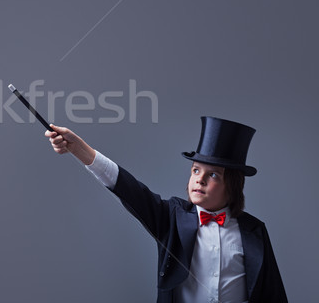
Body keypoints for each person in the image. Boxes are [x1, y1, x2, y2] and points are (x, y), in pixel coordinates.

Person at [44, 116, 287, 303]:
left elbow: (272, 291)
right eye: (195, 170)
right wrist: (80, 149)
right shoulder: (172, 217)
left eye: (212, 174)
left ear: (233, 185)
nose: (199, 180)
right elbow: (129, 189)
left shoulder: (254, 230)